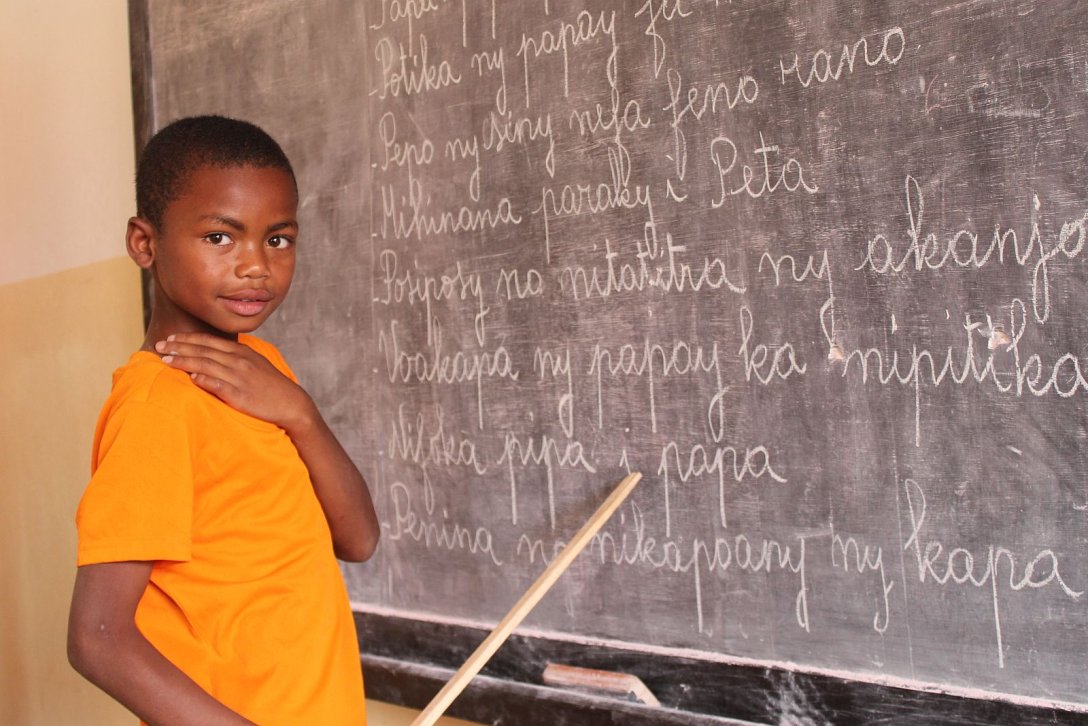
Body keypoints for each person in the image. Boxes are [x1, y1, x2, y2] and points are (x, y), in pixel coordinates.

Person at [67, 115, 380, 725]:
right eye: (219, 238)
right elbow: (97, 638)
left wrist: (302, 415)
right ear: (144, 243)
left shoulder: (263, 370)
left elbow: (359, 539)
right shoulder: (160, 404)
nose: (256, 266)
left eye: (278, 239)